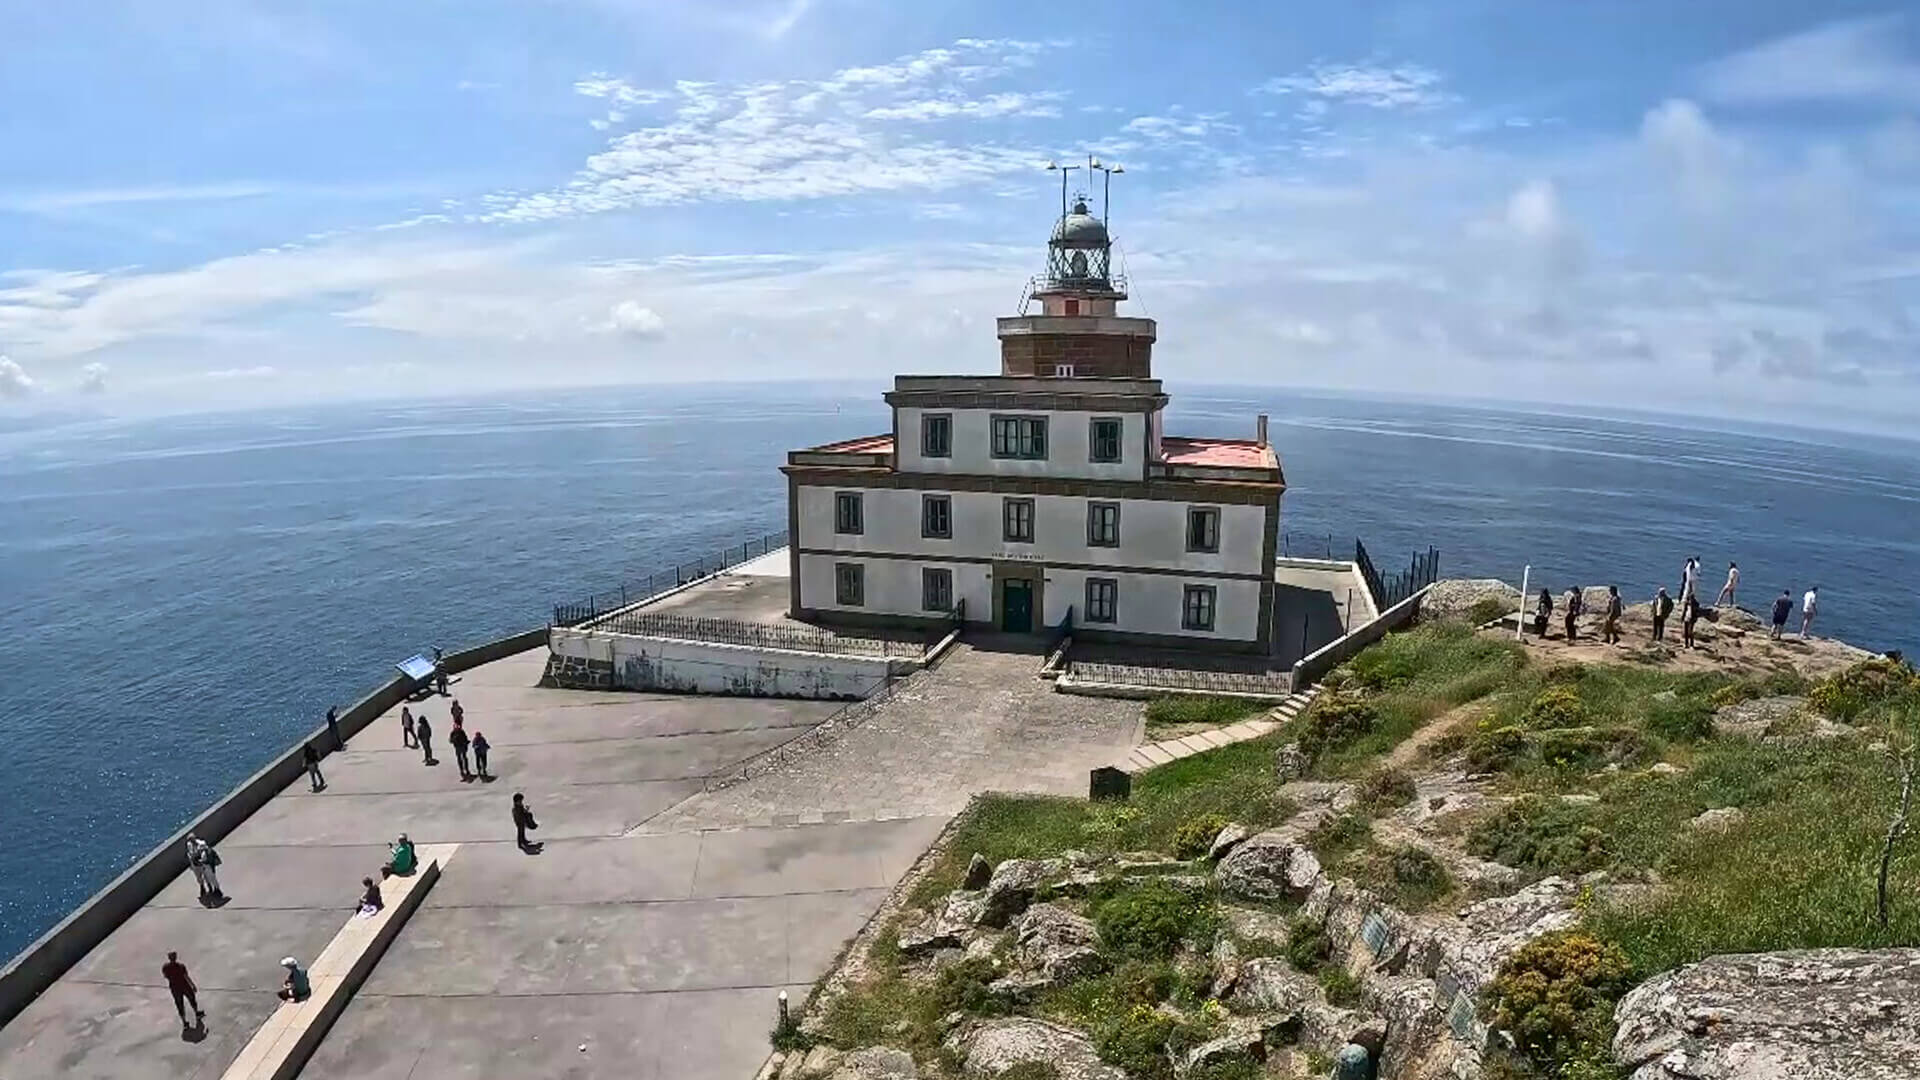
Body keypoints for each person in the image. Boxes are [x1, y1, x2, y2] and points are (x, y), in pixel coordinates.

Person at [161, 952, 205, 1031]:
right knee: (192, 999)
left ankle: (184, 1023)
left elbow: (165, 976)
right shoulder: (181, 966)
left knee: (179, 1004)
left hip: (175, 988)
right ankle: (197, 1013)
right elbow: (186, 977)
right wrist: (193, 985)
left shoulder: (165, 967)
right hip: (185, 986)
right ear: (176, 957)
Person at [185, 834, 224, 904]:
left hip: (205, 864)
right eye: (190, 840)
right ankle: (202, 886)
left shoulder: (201, 844)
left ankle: (214, 889)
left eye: (192, 840)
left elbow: (206, 856)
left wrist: (201, 860)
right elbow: (191, 853)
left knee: (210, 877)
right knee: (199, 877)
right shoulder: (189, 844)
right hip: (195, 864)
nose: (192, 842)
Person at [449, 717, 472, 782]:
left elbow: (465, 739)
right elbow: (450, 740)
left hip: (461, 747)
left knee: (463, 758)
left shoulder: (461, 732)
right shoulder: (453, 733)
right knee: (460, 759)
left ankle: (466, 770)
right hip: (458, 747)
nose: (457, 727)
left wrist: (466, 742)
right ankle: (462, 770)